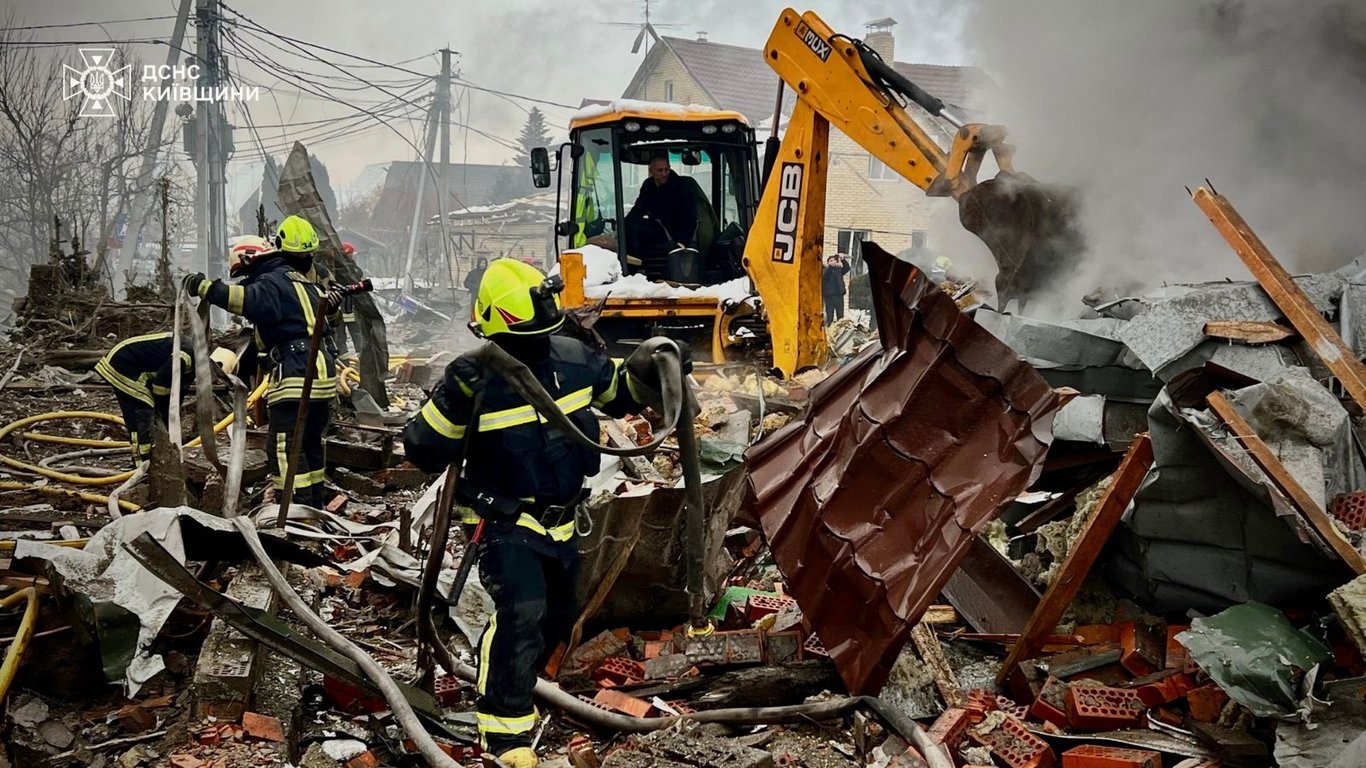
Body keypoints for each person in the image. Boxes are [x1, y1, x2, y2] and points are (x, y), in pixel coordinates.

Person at [403, 258, 687, 768]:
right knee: (521, 612)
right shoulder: (476, 375)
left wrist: (650, 364)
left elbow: (619, 394)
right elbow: (423, 450)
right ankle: (504, 734)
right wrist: (454, 395)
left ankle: (523, 685)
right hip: (505, 519)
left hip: (561, 518)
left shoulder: (574, 357)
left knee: (556, 615)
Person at [184, 220, 341, 508]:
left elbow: (242, 299)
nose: (246, 279)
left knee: (283, 445)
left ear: (250, 262)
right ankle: (315, 505)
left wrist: (203, 286)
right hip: (321, 371)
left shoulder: (270, 282)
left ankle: (293, 508)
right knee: (308, 443)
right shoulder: (299, 280)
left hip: (296, 371)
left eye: (245, 273)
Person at [94, 332, 194, 464]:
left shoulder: (192, 352)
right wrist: (162, 408)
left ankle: (142, 460)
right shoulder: (186, 355)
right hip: (124, 364)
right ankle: (144, 462)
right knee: (142, 410)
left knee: (141, 412)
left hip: (128, 362)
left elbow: (178, 389)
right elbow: (162, 383)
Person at [624, 154, 699, 278]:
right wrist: (623, 225)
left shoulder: (680, 187)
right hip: (658, 227)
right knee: (632, 226)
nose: (664, 174)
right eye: (660, 170)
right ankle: (632, 268)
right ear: (651, 170)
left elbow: (690, 216)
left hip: (675, 232)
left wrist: (683, 241)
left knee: (636, 229)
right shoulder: (648, 186)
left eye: (666, 169)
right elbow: (639, 209)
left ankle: (638, 269)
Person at [822, 254, 851, 324]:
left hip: (839, 295)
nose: (833, 262)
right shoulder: (825, 270)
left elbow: (847, 268)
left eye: (834, 260)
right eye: (831, 260)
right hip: (829, 296)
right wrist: (830, 267)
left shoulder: (838, 270)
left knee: (840, 316)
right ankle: (829, 328)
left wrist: (843, 260)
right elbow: (824, 276)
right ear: (828, 262)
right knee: (830, 315)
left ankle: (839, 329)